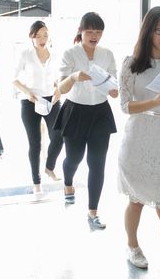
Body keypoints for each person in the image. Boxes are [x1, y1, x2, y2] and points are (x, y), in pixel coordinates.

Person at [118, 6, 160, 278]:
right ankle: (132, 245)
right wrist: (154, 102)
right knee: (135, 201)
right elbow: (125, 106)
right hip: (137, 139)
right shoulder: (131, 64)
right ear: (148, 31)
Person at [55, 12, 118, 230]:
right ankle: (68, 183)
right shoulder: (70, 53)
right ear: (80, 31)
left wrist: (114, 90)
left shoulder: (107, 54)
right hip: (75, 111)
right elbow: (61, 88)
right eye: (90, 31)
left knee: (97, 163)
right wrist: (74, 77)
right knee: (74, 158)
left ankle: (93, 212)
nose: (94, 36)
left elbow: (113, 87)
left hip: (100, 113)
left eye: (98, 32)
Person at [13, 21, 63, 194]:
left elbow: (57, 79)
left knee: (59, 135)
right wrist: (28, 92)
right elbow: (13, 78)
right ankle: (37, 183)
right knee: (35, 144)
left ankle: (49, 167)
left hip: (51, 100)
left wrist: (58, 89)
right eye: (38, 36)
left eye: (45, 35)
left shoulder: (55, 55)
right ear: (31, 37)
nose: (43, 39)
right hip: (30, 102)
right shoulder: (25, 54)